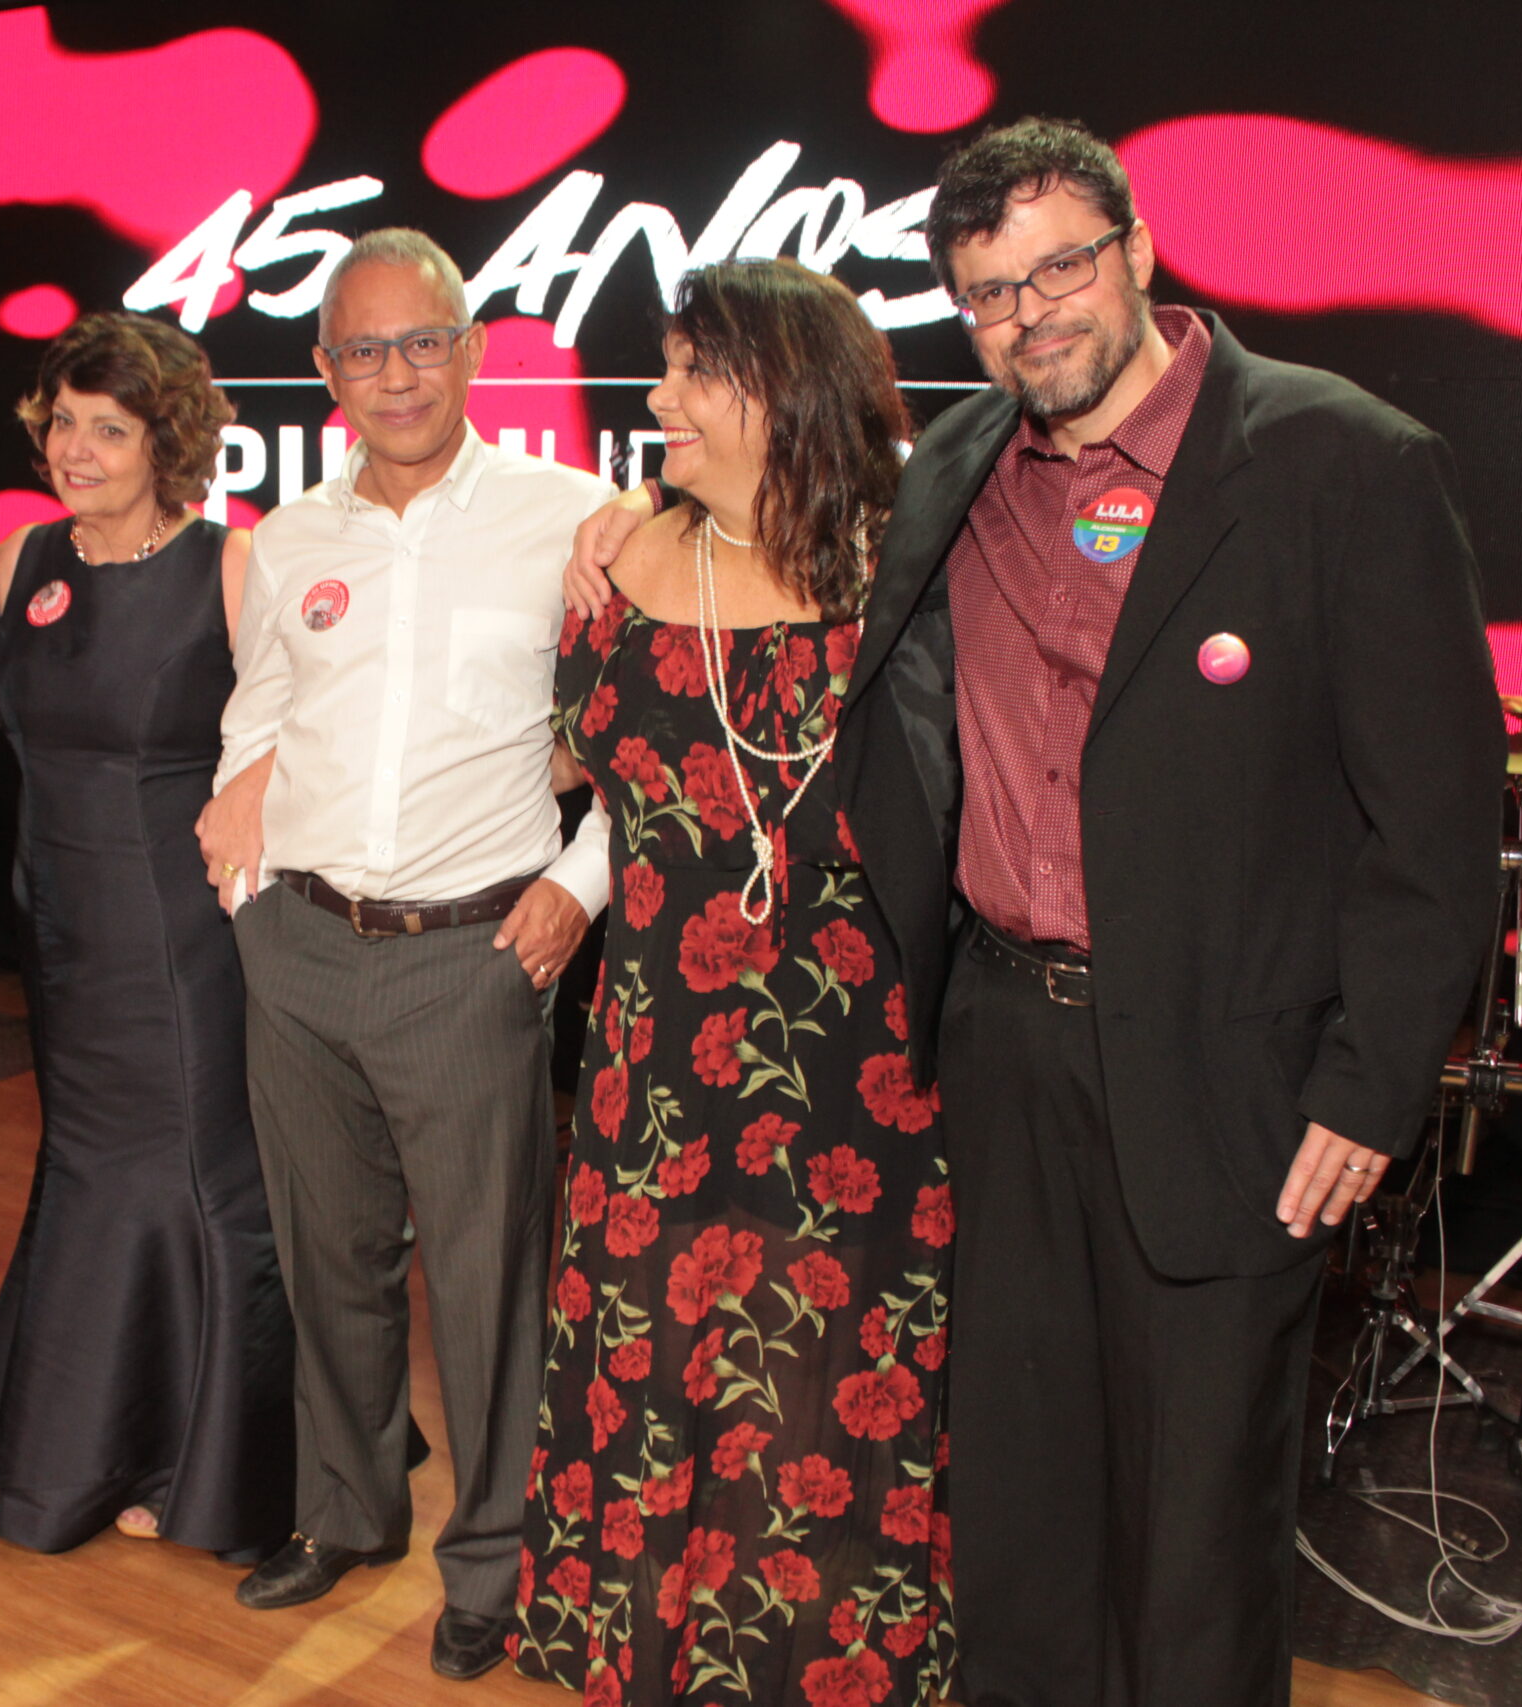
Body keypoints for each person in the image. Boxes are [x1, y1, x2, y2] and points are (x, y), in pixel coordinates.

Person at [571, 119, 1502, 1707]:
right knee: (1018, 1509)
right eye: (991, 292)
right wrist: (623, 524)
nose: (1031, 314)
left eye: (1061, 267)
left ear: (1137, 251)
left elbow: (1437, 815)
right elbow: (786, 538)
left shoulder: (1344, 461)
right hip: (999, 1049)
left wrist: (1369, 1083)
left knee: (1197, 1534)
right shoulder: (957, 468)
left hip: (1230, 1078)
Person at [514, 259, 952, 1705]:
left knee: (827, 1378)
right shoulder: (622, 559)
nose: (657, 400)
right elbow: (592, 776)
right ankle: (651, 1656)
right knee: (657, 1364)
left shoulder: (918, 568)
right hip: (652, 1064)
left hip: (859, 1078)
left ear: (788, 388)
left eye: (693, 372)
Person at [197, 228, 615, 1682]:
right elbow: (261, 707)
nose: (398, 374)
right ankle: (346, 1511)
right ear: (325, 371)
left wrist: (581, 882)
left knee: (489, 1289)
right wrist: (242, 846)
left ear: (473, 348)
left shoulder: (576, 519)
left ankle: (492, 1561)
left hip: (471, 956)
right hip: (299, 944)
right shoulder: (292, 539)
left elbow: (646, 733)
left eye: (423, 341)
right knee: (329, 1259)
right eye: (366, 349)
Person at [0, 311, 292, 1560]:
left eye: (108, 430)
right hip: (56, 916)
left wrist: (254, 789)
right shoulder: (24, 556)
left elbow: (298, 724)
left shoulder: (231, 565)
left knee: (190, 1173)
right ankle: (97, 1431)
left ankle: (196, 1459)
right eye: (63, 422)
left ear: (167, 442)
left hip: (179, 924)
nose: (75, 449)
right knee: (88, 1163)